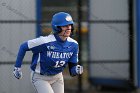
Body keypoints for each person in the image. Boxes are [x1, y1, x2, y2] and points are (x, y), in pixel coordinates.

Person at [13, 12, 83, 93]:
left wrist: (77, 70)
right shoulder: (45, 41)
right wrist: (17, 68)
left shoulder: (74, 44)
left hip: (57, 77)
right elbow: (23, 46)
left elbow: (72, 71)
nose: (69, 28)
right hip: (40, 77)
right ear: (57, 27)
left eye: (70, 25)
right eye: (65, 26)